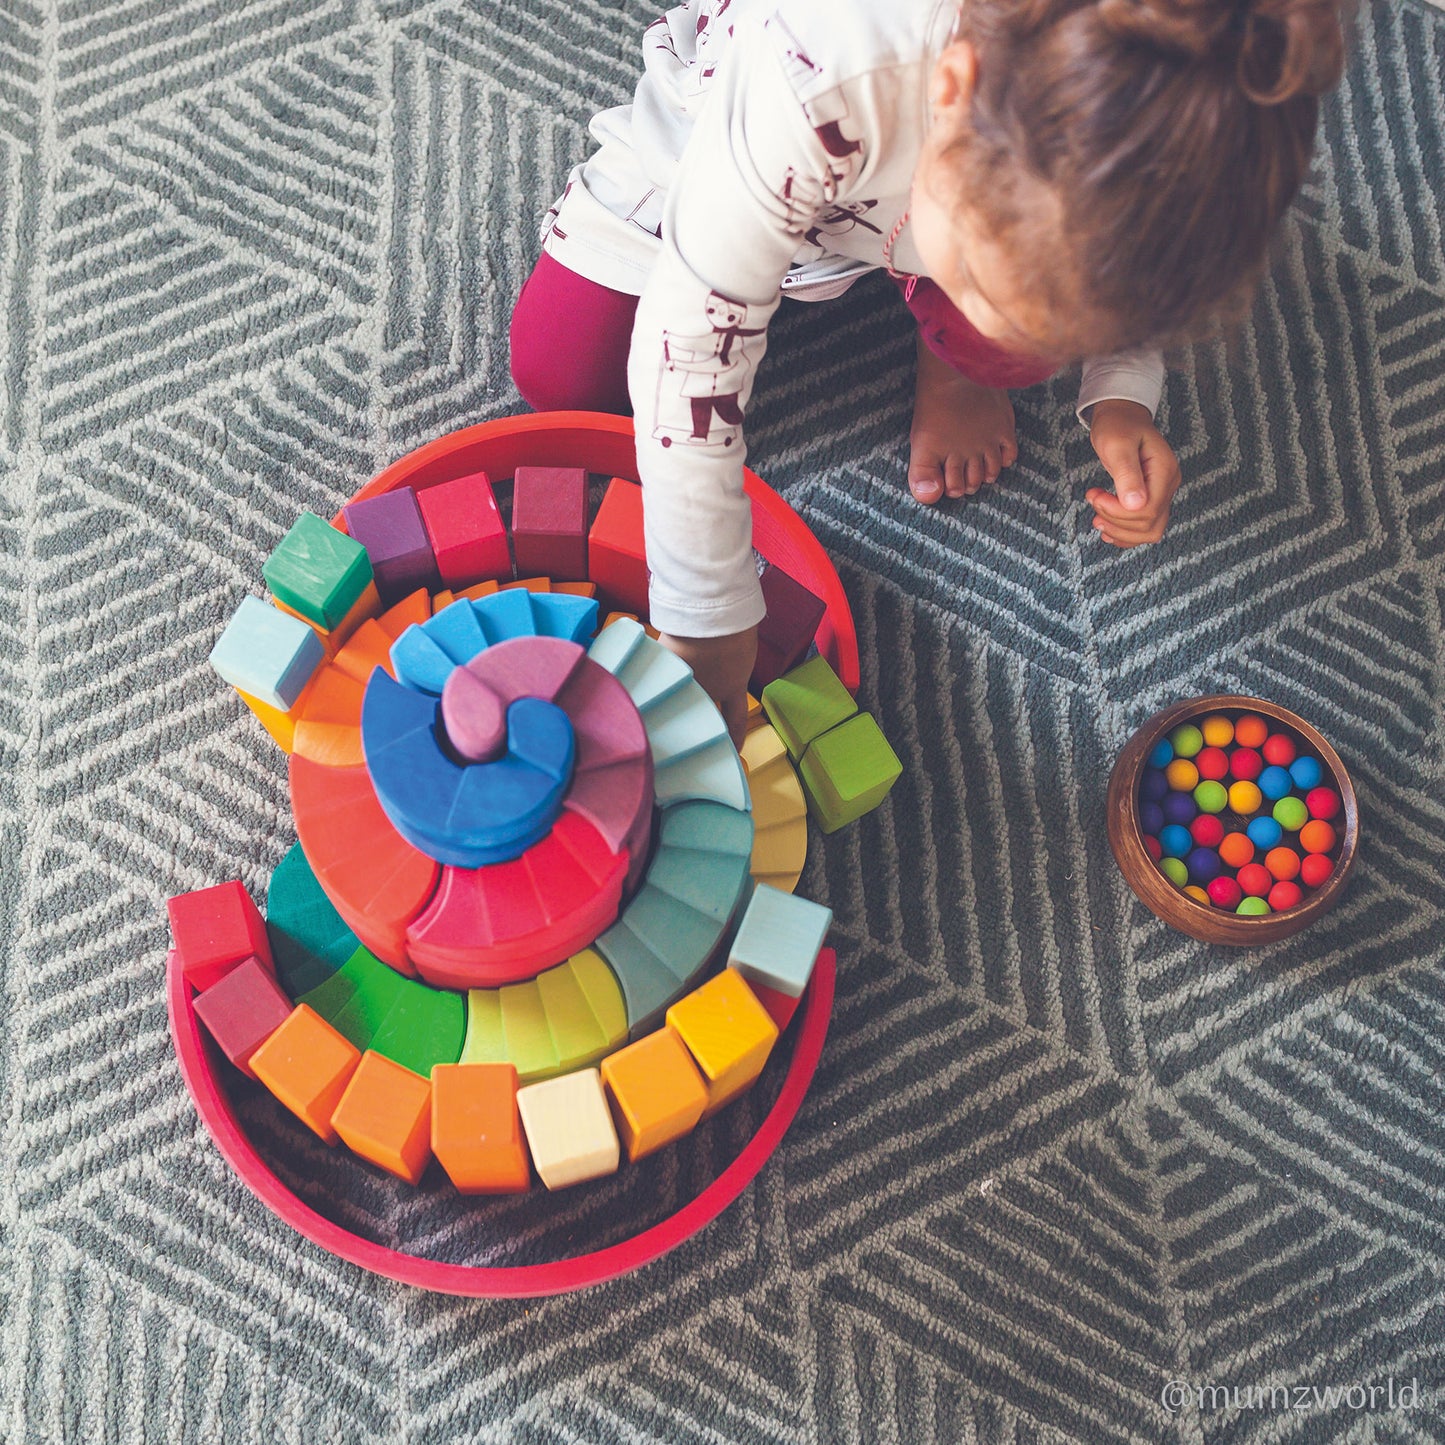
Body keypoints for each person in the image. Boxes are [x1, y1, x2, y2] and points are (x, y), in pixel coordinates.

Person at [509, 0, 1349, 744]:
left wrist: (1119, 390)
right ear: (951, 87)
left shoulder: (1174, 117)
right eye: (987, 289)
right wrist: (706, 614)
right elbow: (693, 337)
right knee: (560, 375)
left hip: (928, 205)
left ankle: (954, 352)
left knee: (1022, 316)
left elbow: (1131, 258)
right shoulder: (819, 60)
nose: (1012, 335)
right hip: (732, 162)